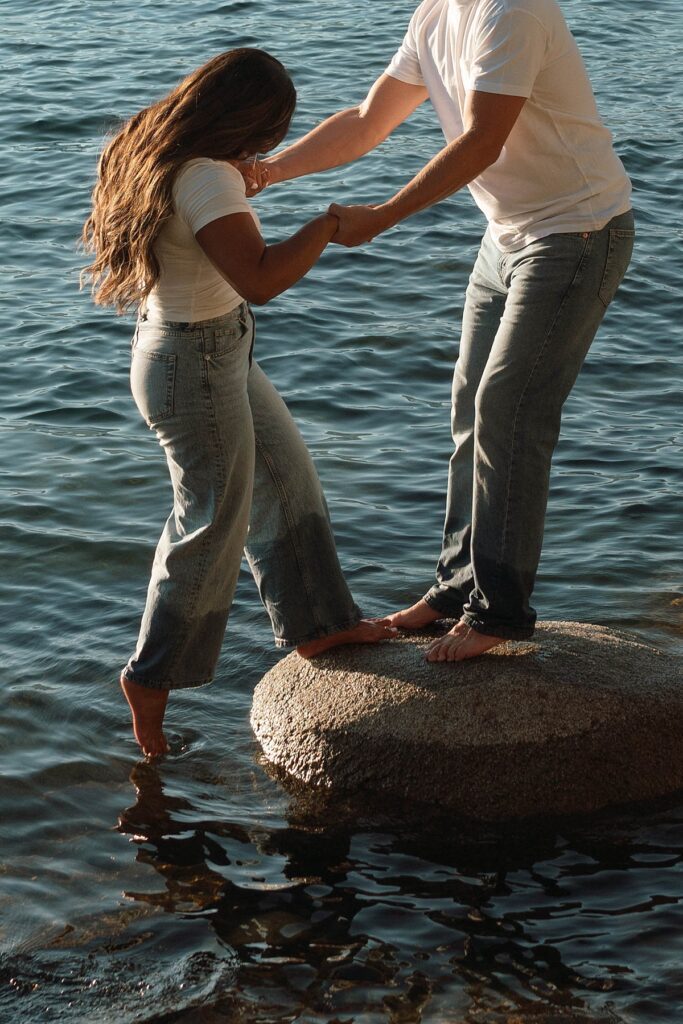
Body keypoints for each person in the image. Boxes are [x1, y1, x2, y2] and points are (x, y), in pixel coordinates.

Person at [247, 0, 634, 663]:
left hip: (576, 230)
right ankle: (456, 588)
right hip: (504, 238)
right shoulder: (435, 12)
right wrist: (269, 170)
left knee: (507, 410)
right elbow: (368, 120)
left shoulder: (512, 11)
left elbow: (482, 140)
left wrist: (384, 214)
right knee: (468, 410)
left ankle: (500, 611)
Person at [82, 48, 396, 758]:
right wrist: (328, 225)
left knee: (286, 479)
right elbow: (260, 279)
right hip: (193, 363)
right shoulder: (206, 175)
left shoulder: (150, 142)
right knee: (209, 525)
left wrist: (256, 176)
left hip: (202, 348)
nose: (264, 150)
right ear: (244, 120)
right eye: (267, 134)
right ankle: (150, 677)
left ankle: (320, 625)